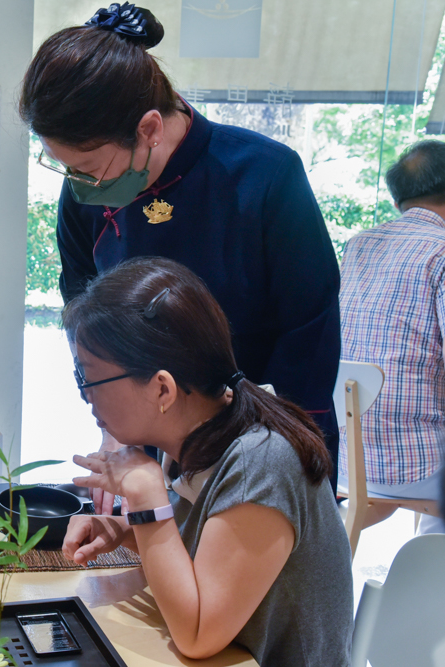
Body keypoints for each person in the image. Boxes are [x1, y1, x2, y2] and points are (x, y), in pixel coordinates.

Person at [19, 3, 341, 509]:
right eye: (67, 169)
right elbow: (85, 317)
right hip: (147, 440)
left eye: (90, 168)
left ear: (149, 128)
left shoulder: (263, 176)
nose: (80, 186)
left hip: (259, 444)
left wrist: (285, 464)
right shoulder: (87, 194)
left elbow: (308, 335)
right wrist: (114, 426)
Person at [61, 257, 352, 666]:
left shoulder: (261, 462)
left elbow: (198, 635)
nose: (86, 396)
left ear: (162, 390)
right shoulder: (202, 427)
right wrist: (124, 530)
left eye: (88, 379)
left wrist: (146, 495)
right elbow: (204, 551)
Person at [339, 140, 445, 534]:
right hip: (420, 465)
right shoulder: (442, 252)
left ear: (398, 200)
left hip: (349, 458)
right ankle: (428, 563)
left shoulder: (357, 245)